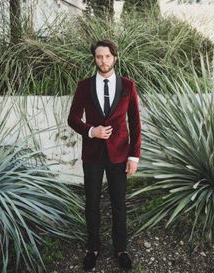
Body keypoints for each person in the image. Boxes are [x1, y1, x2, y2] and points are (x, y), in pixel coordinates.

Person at [68, 39, 141, 271]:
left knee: (119, 204)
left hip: (119, 155)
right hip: (92, 155)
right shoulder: (84, 86)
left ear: (115, 58)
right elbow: (73, 118)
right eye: (99, 57)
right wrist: (91, 130)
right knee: (91, 203)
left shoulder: (128, 86)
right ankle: (93, 248)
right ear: (95, 59)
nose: (103, 61)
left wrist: (134, 156)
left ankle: (121, 249)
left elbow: (136, 124)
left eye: (107, 56)